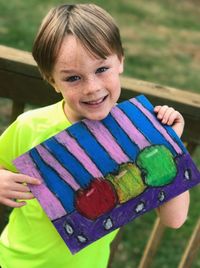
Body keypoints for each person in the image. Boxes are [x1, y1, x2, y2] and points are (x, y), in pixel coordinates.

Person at [0, 4, 189, 268]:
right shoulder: (30, 127)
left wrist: (169, 144)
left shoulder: (140, 133)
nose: (92, 88)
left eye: (101, 70)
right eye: (73, 78)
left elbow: (175, 219)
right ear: (52, 80)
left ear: (120, 61)